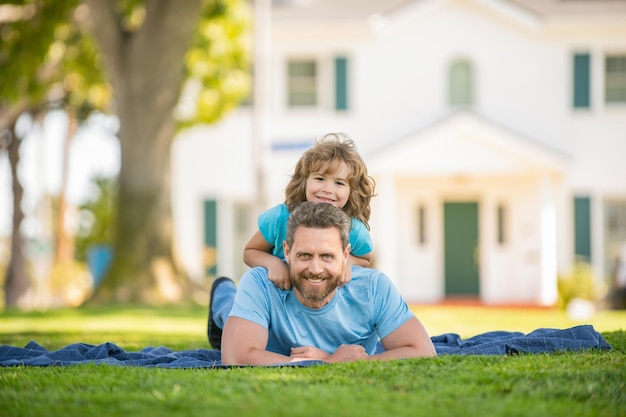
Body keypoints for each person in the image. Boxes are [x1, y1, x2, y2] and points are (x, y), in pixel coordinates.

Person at [212, 202, 436, 365]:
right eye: (305, 256)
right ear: (287, 252)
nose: (316, 269)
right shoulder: (261, 282)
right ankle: (223, 292)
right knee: (227, 309)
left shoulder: (373, 287)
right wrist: (328, 362)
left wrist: (362, 362)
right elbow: (237, 358)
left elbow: (423, 351)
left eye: (327, 257)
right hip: (246, 306)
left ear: (346, 254)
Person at [243, 132, 376, 291]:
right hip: (276, 295)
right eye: (319, 179)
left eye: (339, 183)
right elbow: (250, 251)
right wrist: (273, 263)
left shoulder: (354, 229)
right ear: (304, 181)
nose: (327, 189)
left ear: (351, 191)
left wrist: (348, 263)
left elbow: (365, 257)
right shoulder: (279, 217)